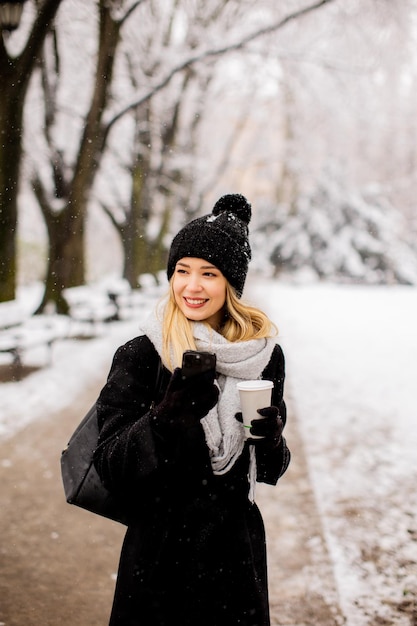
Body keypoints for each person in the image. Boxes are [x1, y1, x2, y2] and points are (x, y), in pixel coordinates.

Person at [94, 193, 290, 626]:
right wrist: (165, 418)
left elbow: (271, 468)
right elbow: (109, 464)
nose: (192, 286)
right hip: (159, 557)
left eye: (209, 273)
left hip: (236, 557)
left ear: (231, 285)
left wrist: (272, 438)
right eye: (182, 271)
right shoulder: (143, 355)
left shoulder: (263, 358)